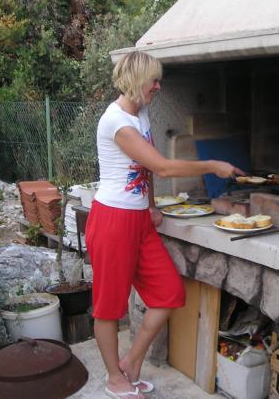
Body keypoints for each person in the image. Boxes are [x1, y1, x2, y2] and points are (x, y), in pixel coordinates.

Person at [85, 51, 244, 399]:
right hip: (112, 220)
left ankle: (131, 363)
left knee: (169, 294)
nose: (158, 86)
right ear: (135, 80)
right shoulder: (116, 122)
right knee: (109, 307)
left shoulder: (140, 113)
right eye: (153, 80)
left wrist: (151, 205)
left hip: (138, 221)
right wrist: (212, 165)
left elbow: (145, 170)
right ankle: (114, 378)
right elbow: (162, 166)